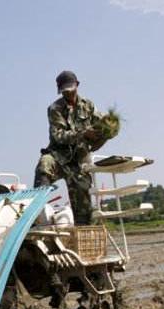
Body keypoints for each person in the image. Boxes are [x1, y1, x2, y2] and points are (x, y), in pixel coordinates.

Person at [33, 71, 107, 225]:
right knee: (44, 163)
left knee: (83, 210)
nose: (68, 94)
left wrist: (107, 129)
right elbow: (59, 136)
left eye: (71, 90)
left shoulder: (88, 106)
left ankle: (82, 234)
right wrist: (83, 133)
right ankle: (37, 211)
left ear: (77, 85)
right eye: (65, 91)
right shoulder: (55, 108)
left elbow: (101, 125)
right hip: (59, 156)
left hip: (79, 161)